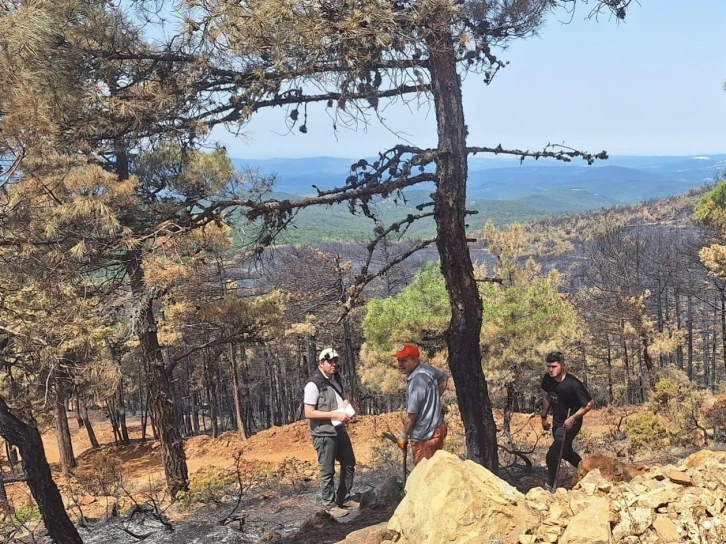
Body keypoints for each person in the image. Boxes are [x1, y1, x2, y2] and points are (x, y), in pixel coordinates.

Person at [303, 347, 356, 518]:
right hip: (324, 433)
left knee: (349, 463)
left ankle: (344, 498)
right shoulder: (313, 384)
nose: (334, 364)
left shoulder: (335, 378)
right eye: (330, 361)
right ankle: (329, 505)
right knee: (327, 469)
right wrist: (335, 414)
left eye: (336, 361)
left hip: (339, 429)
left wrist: (348, 410)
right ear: (321, 363)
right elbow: (309, 413)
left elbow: (342, 397)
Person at [540, 351, 594, 491]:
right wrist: (544, 417)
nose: (551, 370)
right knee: (565, 452)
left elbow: (589, 403)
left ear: (563, 366)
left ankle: (550, 486)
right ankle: (588, 472)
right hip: (557, 422)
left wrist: (573, 418)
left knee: (552, 455)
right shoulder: (548, 379)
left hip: (571, 423)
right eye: (549, 366)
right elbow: (547, 396)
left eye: (554, 366)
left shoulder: (573, 384)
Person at [393, 343, 449, 465]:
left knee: (424, 475)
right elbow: (444, 377)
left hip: (425, 436)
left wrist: (403, 436)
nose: (400, 364)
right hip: (437, 429)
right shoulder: (426, 369)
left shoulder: (416, 382)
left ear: (415, 360)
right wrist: (432, 399)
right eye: (399, 360)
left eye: (404, 360)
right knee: (435, 470)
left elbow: (412, 416)